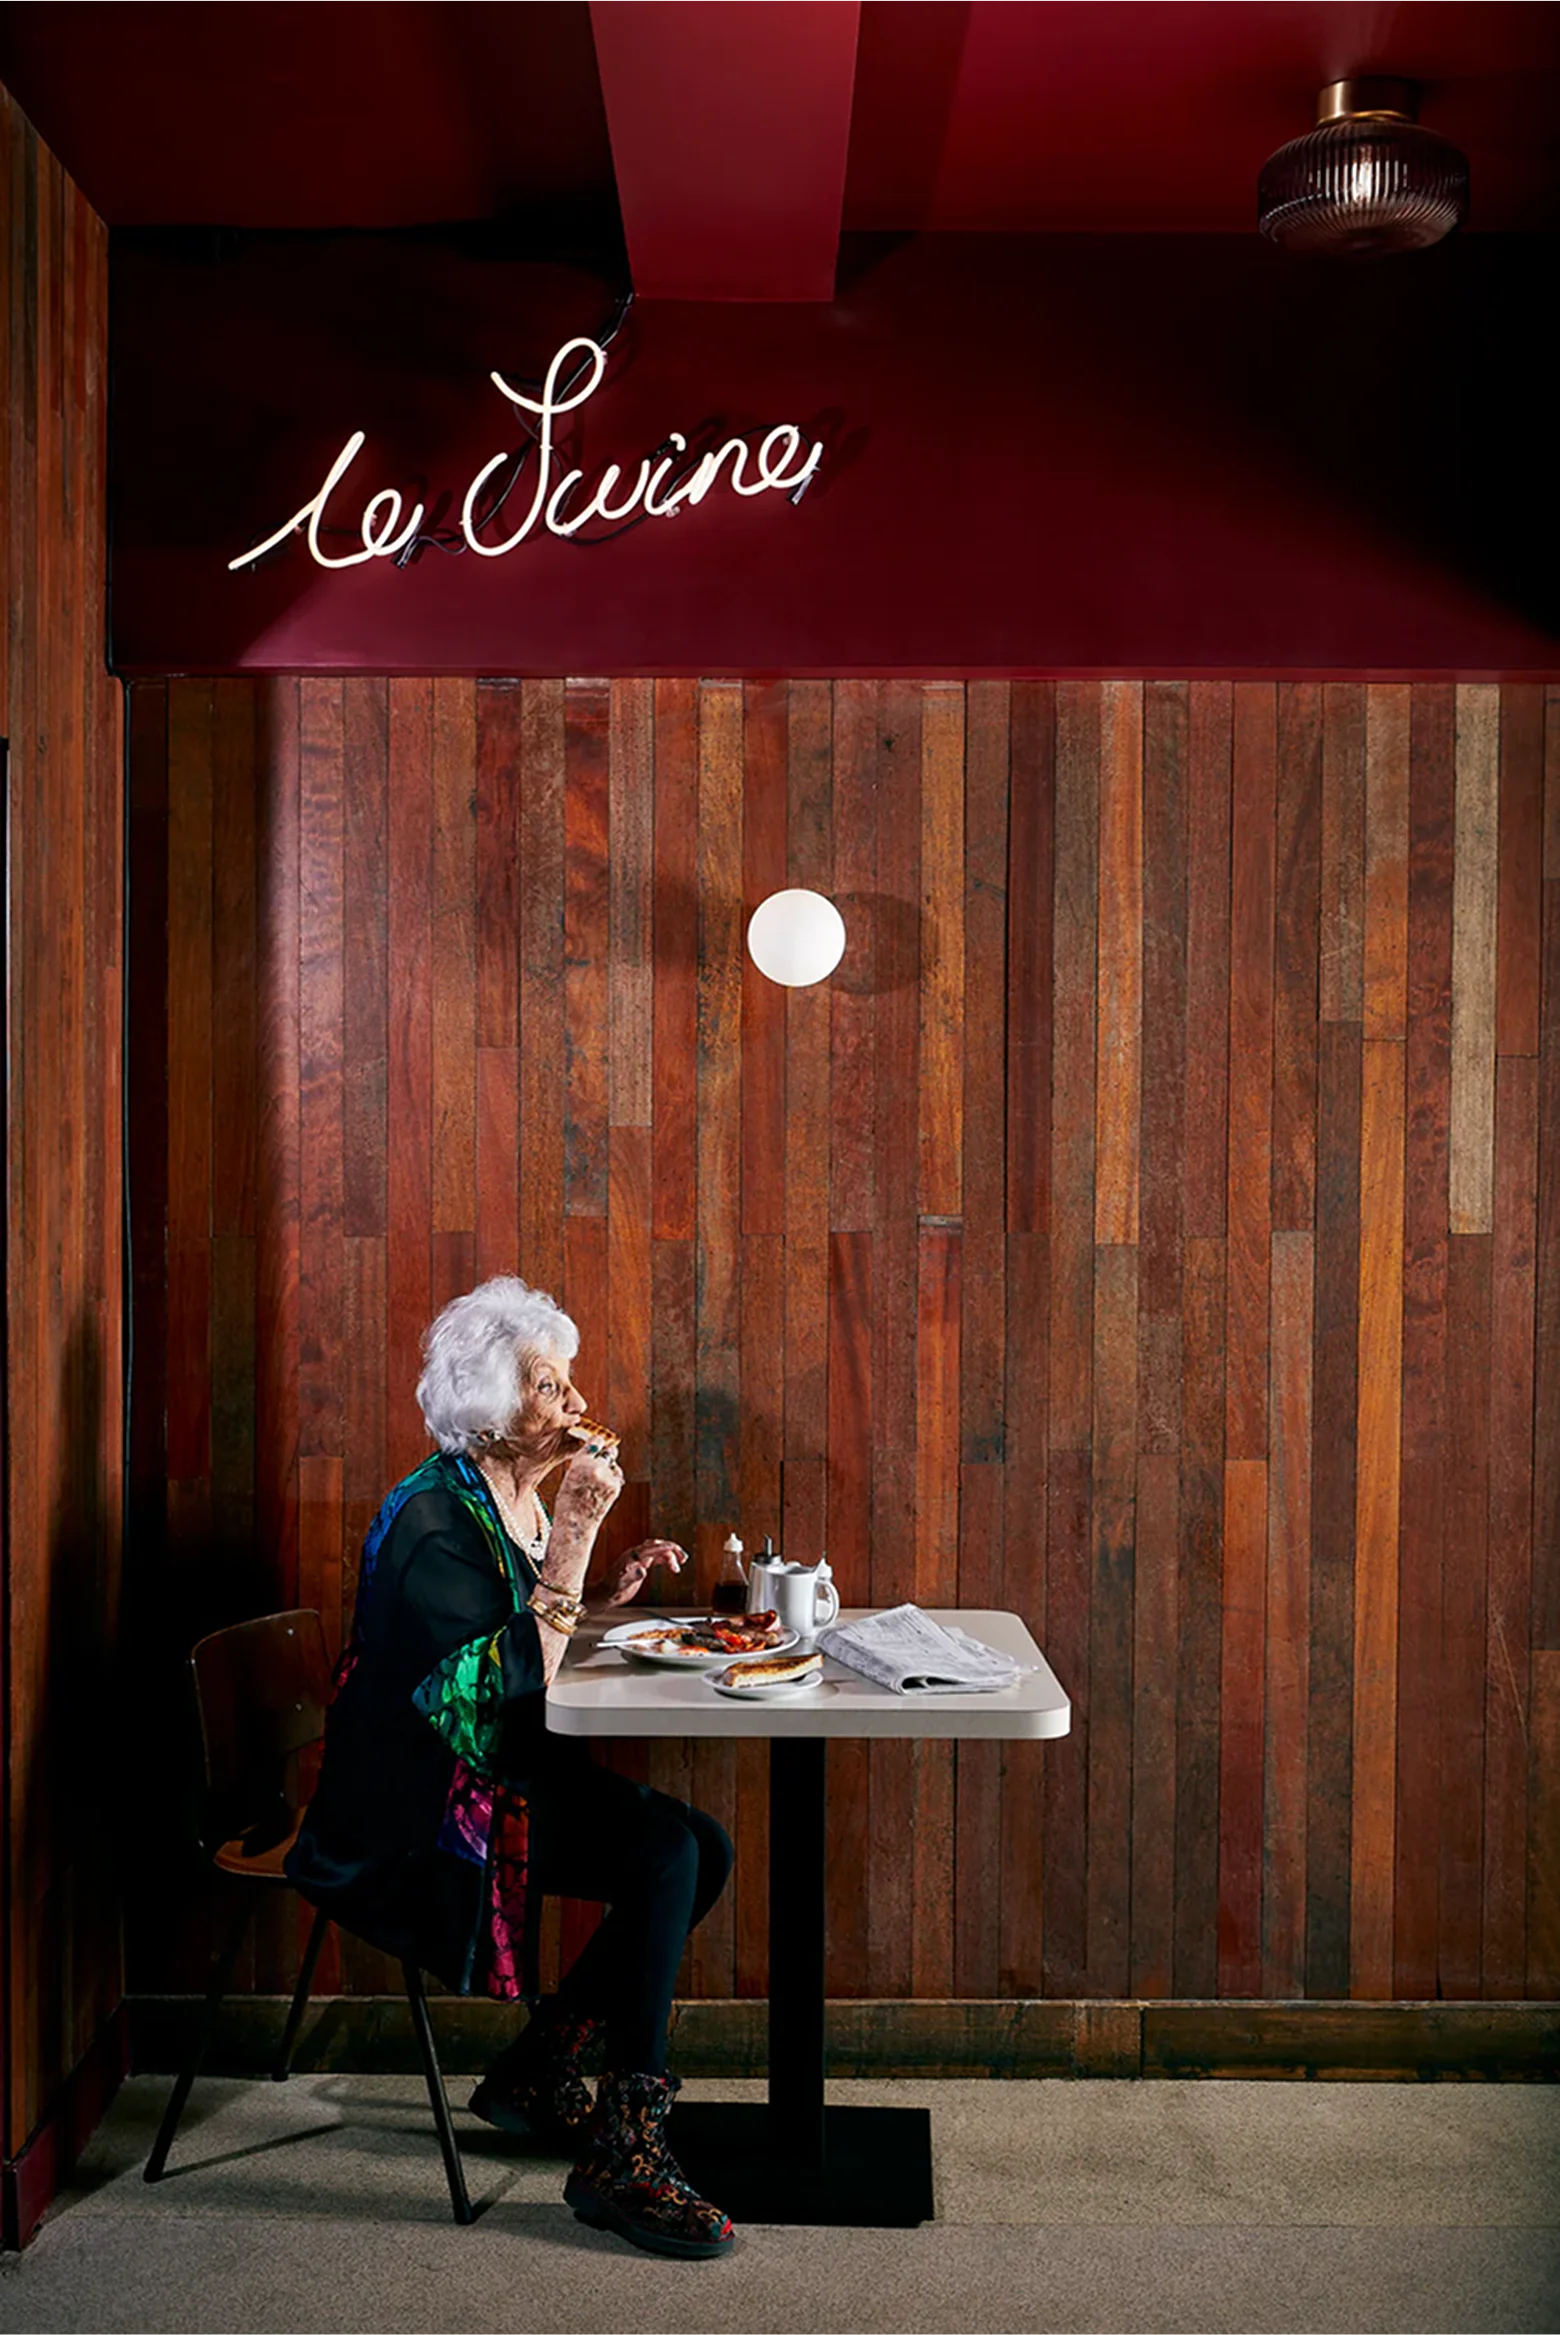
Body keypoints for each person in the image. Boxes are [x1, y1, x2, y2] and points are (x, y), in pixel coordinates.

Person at [285, 1276, 736, 2259]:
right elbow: (502, 1678)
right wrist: (577, 1533)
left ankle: (539, 2066)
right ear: (491, 1412)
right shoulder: (432, 1524)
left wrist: (598, 1580)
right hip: (418, 1810)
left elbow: (536, 1644)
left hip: (498, 1764)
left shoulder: (511, 1493)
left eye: (569, 1380)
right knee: (667, 1854)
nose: (575, 1403)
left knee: (705, 1843)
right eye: (548, 1385)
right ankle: (624, 2148)